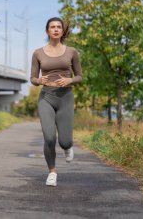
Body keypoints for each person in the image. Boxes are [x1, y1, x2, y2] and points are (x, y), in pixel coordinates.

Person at [30, 17, 83, 186]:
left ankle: (68, 147)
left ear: (62, 31)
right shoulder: (38, 53)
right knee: (50, 137)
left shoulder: (72, 52)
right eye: (52, 27)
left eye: (58, 27)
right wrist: (39, 81)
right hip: (46, 97)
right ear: (47, 31)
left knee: (64, 141)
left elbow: (80, 76)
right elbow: (32, 78)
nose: (55, 29)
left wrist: (70, 81)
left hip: (65, 97)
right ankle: (52, 172)